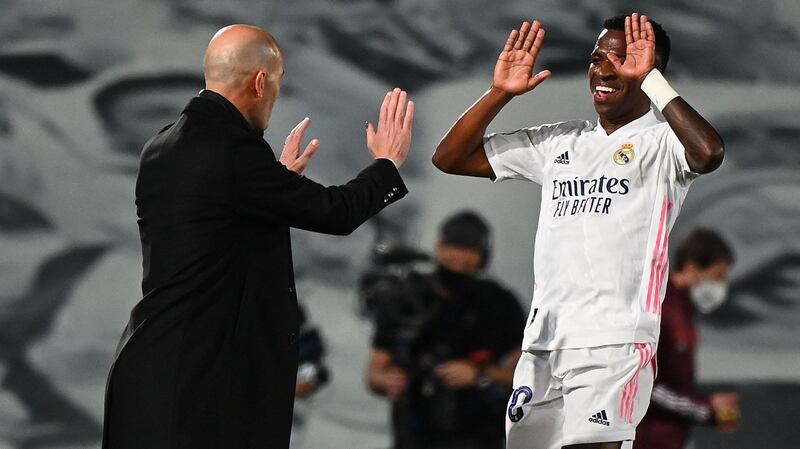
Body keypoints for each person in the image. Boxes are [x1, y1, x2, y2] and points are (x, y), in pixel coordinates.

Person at [102, 24, 414, 449]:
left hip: (149, 376)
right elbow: (336, 213)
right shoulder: (231, 151)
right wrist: (386, 165)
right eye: (279, 81)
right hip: (200, 391)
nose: (276, 95)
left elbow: (216, 229)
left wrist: (277, 184)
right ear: (260, 80)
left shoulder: (160, 146)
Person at [432, 13, 724, 449]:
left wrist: (652, 82)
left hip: (614, 344)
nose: (602, 70)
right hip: (544, 343)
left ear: (649, 70)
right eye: (595, 58)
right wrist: (499, 94)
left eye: (621, 59)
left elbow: (709, 151)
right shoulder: (560, 142)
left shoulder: (663, 144)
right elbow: (450, 158)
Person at [366, 211, 525, 449]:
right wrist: (390, 381)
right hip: (413, 434)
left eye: (467, 249)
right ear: (439, 247)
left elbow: (528, 375)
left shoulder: (499, 303)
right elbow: (375, 373)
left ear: (482, 257)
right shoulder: (407, 297)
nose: (458, 256)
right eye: (453, 246)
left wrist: (478, 374)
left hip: (478, 435)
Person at [635, 228, 740, 449]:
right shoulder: (660, 308)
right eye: (718, 276)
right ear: (692, 268)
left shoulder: (683, 310)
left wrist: (708, 405)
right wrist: (707, 409)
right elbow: (646, 386)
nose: (721, 286)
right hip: (648, 439)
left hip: (673, 438)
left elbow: (674, 385)